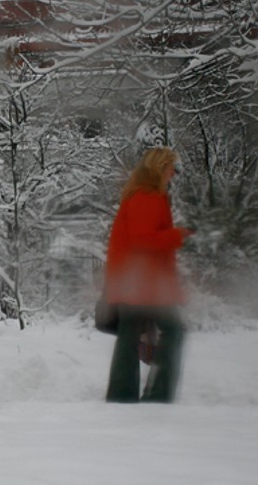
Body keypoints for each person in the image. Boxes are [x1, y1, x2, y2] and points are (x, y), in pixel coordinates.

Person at [103, 146, 192, 403]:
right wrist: (178, 235)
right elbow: (144, 240)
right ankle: (158, 394)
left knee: (129, 332)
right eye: (171, 168)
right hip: (143, 281)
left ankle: (122, 395)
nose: (174, 174)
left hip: (135, 279)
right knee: (173, 329)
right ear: (159, 168)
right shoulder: (147, 197)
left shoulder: (140, 195)